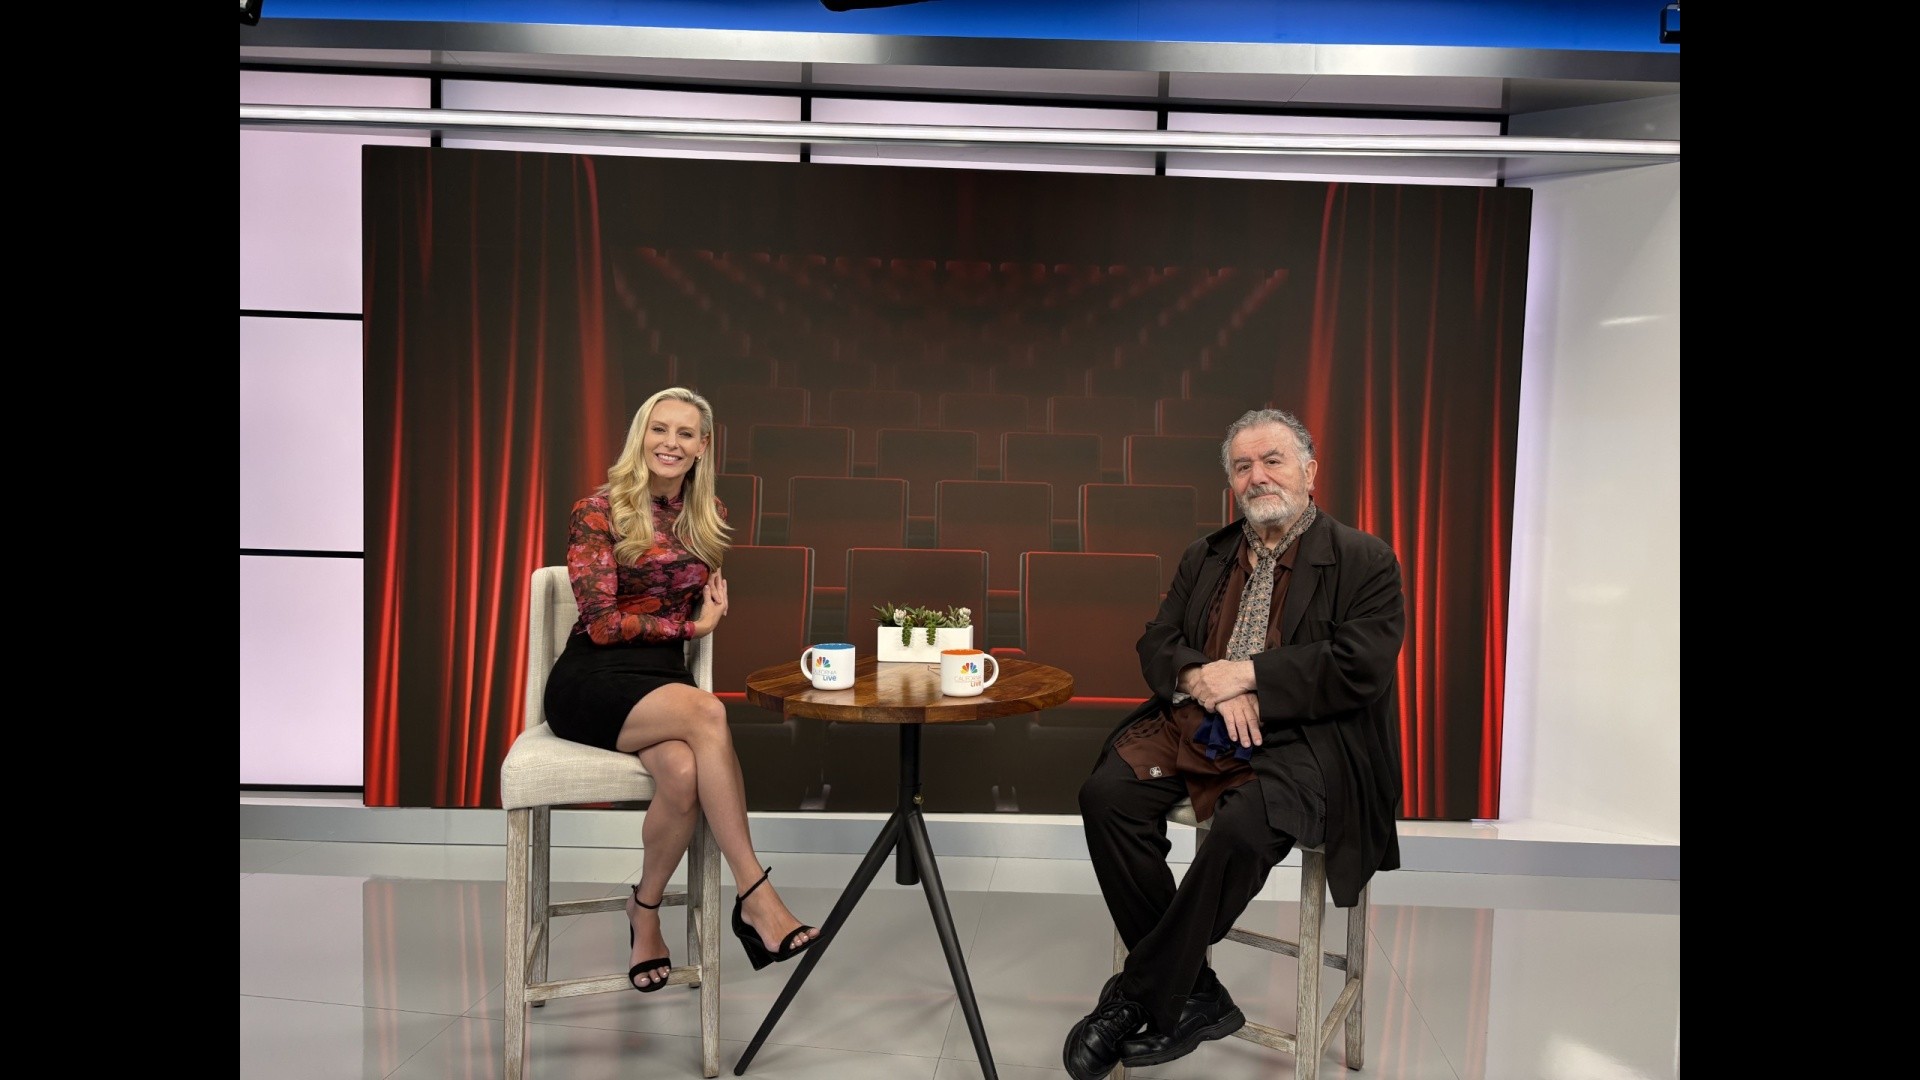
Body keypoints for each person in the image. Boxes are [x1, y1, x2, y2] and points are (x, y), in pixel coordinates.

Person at [1062, 408, 1405, 1079]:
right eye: (1243, 467)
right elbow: (1157, 642)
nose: (1257, 477)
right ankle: (1197, 993)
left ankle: (1144, 993)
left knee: (1243, 827)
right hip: (1201, 724)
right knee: (1105, 796)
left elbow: (1359, 666)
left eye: (1273, 460)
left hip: (1309, 739)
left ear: (1309, 470)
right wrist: (1204, 679)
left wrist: (1248, 675)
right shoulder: (1207, 554)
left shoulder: (1365, 559)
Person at [544, 386, 821, 993]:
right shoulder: (597, 510)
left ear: (702, 447)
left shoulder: (707, 514)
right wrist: (695, 628)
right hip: (593, 678)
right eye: (659, 429)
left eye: (685, 433)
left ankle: (643, 909)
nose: (670, 443)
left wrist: (698, 617)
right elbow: (603, 623)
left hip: (662, 679)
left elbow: (691, 588)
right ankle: (755, 895)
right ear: (641, 436)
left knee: (684, 773)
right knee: (708, 714)